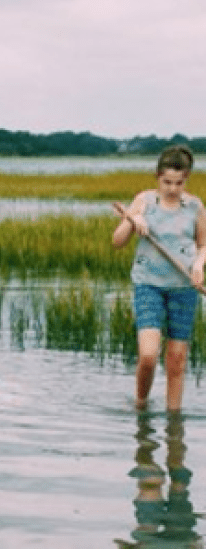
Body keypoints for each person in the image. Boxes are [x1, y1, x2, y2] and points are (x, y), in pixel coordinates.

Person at [112, 145, 206, 411]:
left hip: (183, 286)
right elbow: (117, 242)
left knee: (176, 360)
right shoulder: (144, 201)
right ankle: (141, 405)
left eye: (179, 182)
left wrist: (199, 266)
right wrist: (133, 221)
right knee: (149, 356)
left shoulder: (195, 206)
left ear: (186, 178)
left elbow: (203, 245)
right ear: (157, 177)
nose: (172, 189)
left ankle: (174, 421)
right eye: (167, 182)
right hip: (148, 285)